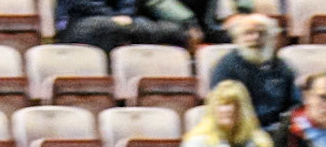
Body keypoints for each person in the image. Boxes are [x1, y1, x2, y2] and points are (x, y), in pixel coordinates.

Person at [209, 14, 300, 128]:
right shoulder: (226, 67)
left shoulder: (283, 67)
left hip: (278, 131)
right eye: (249, 33)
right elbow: (221, 106)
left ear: (271, 38)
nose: (256, 37)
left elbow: (295, 104)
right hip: (240, 130)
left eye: (262, 33)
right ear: (237, 38)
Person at [54, 0, 198, 52]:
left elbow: (128, 4)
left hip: (123, 23)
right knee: (104, 26)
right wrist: (113, 17)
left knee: (171, 29)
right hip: (80, 24)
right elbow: (83, 4)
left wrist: (125, 16)